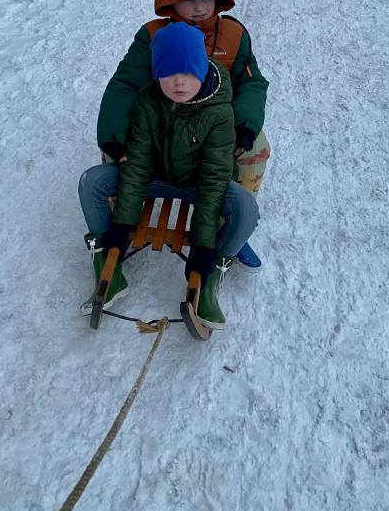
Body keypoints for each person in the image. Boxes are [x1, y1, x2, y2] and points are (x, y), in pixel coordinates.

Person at [78, 22, 260, 329]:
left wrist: (201, 249)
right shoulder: (148, 101)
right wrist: (121, 228)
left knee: (245, 208)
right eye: (167, 73)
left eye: (188, 73)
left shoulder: (219, 111)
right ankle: (106, 261)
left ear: (201, 71)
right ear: (156, 73)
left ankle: (212, 273)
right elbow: (136, 167)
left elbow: (214, 181)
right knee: (92, 181)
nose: (178, 83)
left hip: (199, 184)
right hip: (156, 176)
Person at [96, 0, 269, 270]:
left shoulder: (234, 36)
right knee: (115, 149)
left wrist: (244, 124)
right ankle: (121, 215)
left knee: (256, 148)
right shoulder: (153, 35)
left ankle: (232, 223)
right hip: (164, 124)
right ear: (171, 1)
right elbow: (126, 83)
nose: (200, 8)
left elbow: (251, 83)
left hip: (213, 127)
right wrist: (113, 136)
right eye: (189, 0)